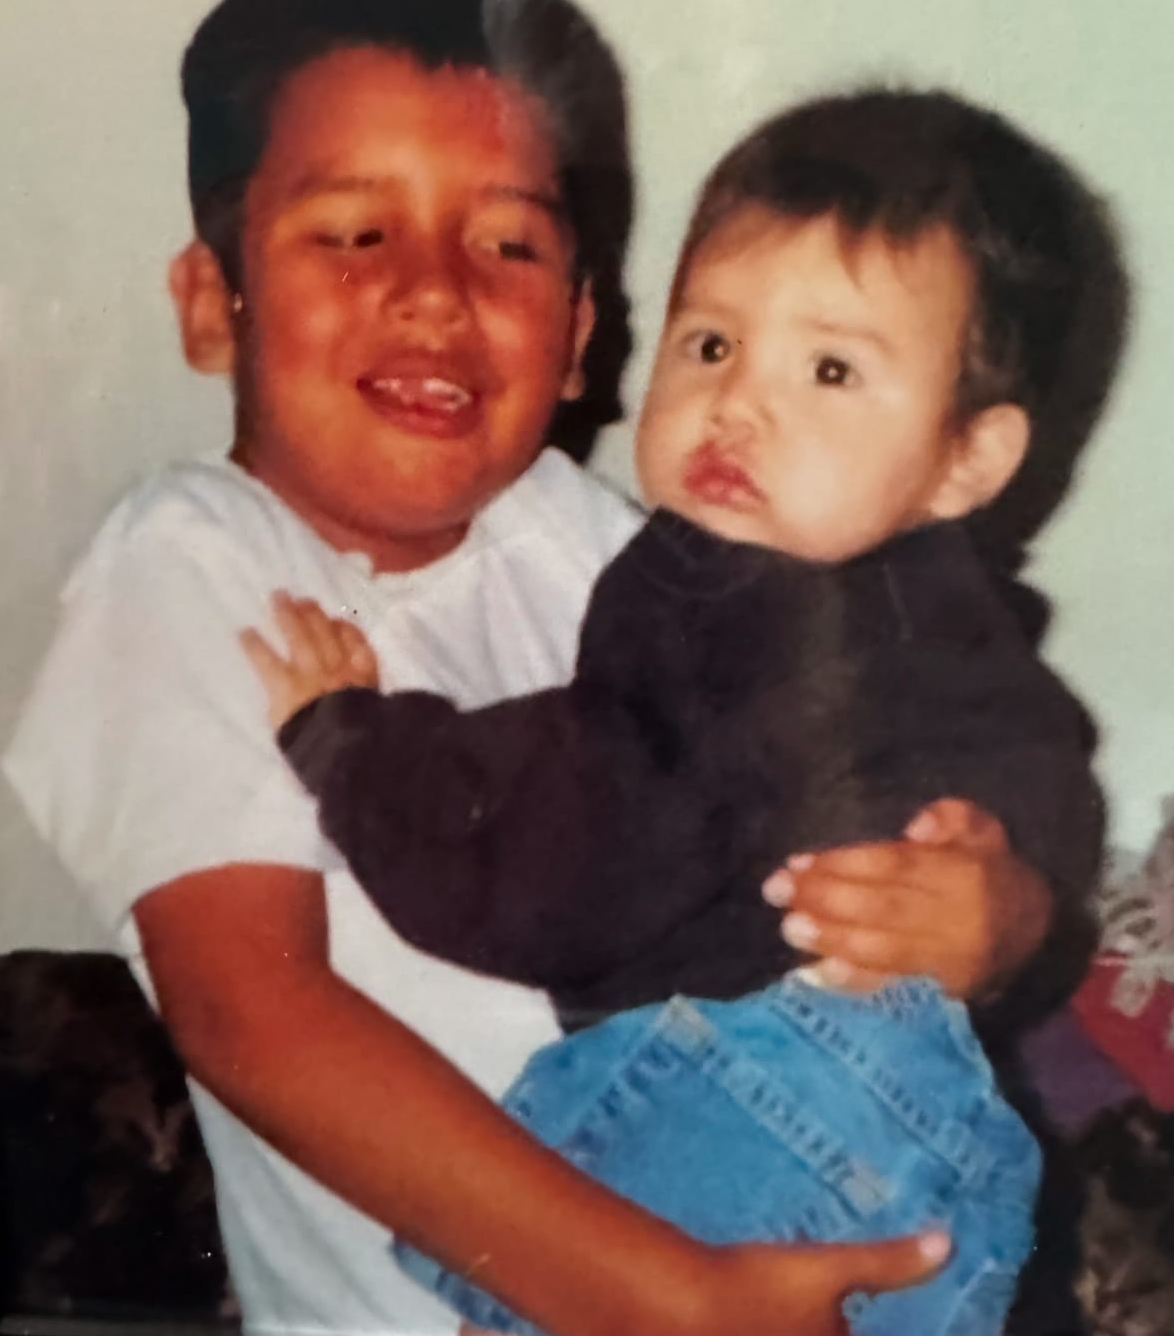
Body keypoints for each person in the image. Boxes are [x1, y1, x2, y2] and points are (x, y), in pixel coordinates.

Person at [5, 0, 1060, 1336]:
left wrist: (984, 908)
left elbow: (876, 767)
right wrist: (664, 1299)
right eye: (355, 230)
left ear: (574, 336)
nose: (432, 290)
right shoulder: (188, 559)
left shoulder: (607, 545)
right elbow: (256, 1015)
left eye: (505, 245)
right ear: (214, 303)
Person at [245, 90, 1110, 1335]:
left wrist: (351, 743)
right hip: (923, 1141)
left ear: (967, 459)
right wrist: (1011, 897)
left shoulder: (734, 613)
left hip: (764, 1114)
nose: (738, 404)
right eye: (710, 345)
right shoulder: (932, 620)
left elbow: (554, 857)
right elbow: (1036, 764)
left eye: (829, 368)